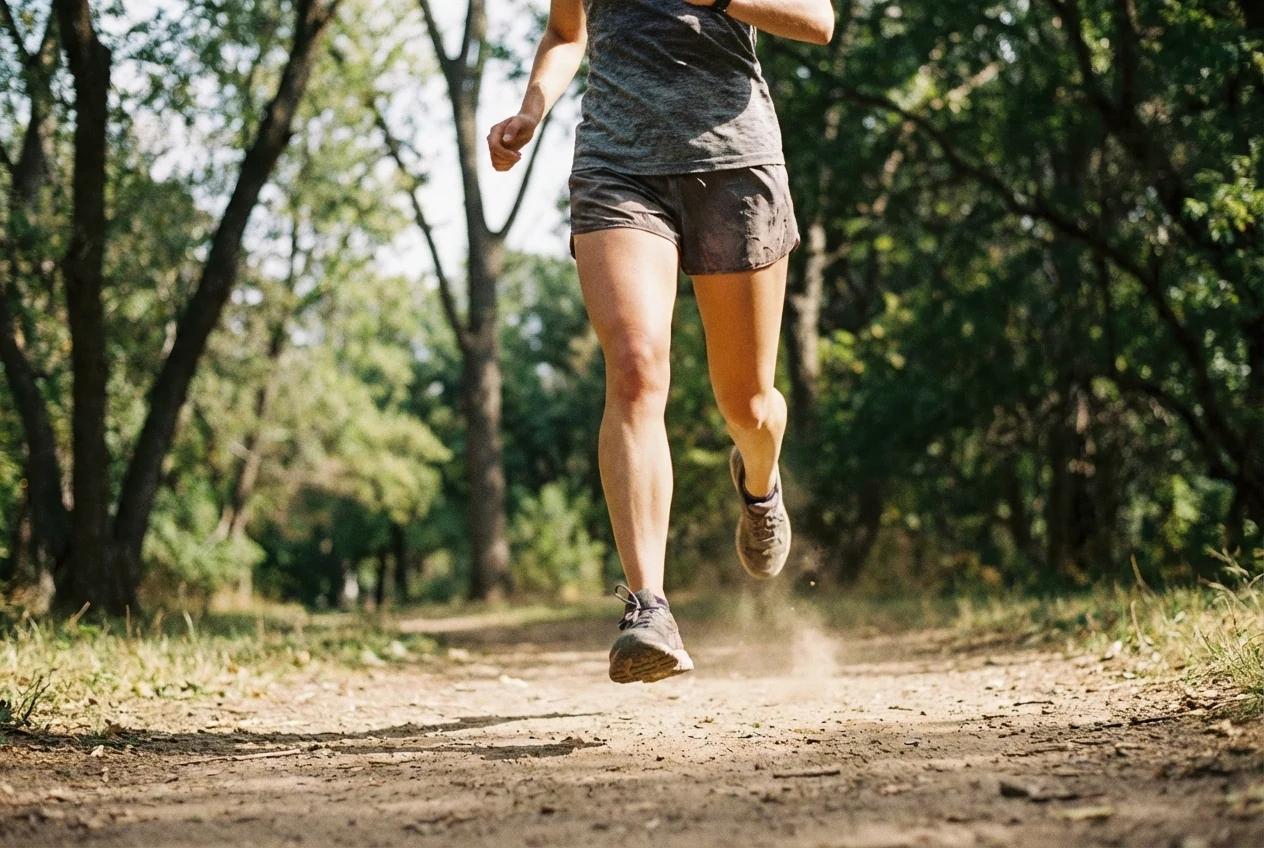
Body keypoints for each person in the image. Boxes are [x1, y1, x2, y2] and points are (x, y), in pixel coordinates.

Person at [488, 0, 835, 684]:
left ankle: (760, 486)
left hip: (736, 163)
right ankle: (648, 608)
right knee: (637, 368)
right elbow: (566, 30)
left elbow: (817, 19)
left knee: (749, 406)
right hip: (618, 168)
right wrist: (531, 109)